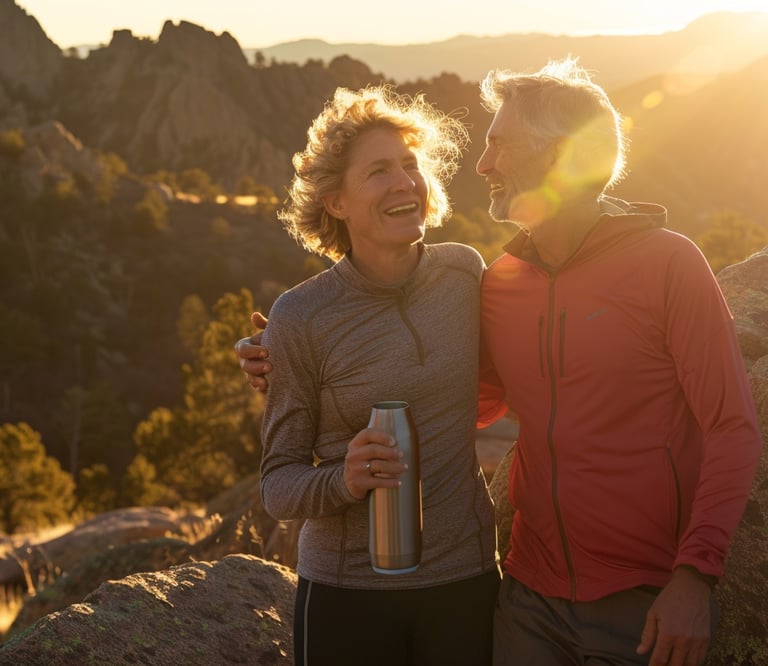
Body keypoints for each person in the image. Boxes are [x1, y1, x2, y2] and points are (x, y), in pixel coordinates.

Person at [238, 58, 762, 665]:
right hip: (517, 601)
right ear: (336, 200)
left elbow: (730, 425)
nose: (480, 165)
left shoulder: (645, 266)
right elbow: (460, 400)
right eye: (381, 170)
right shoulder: (495, 283)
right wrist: (287, 370)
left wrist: (696, 575)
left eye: (498, 145)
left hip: (610, 598)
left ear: (558, 156)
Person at [247, 84, 499, 666]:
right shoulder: (301, 317)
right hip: (347, 592)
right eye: (379, 171)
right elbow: (277, 485)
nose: (404, 183)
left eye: (410, 165)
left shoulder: (465, 274)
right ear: (336, 202)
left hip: (464, 580)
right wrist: (344, 479)